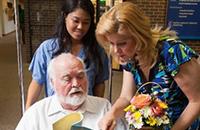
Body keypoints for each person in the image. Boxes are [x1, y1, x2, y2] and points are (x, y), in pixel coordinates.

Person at [95, 2, 200, 130]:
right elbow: (126, 97)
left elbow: (196, 102)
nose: (116, 51)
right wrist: (111, 114)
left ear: (139, 36)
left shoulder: (172, 52)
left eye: (122, 43)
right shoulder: (130, 57)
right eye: (112, 43)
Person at [25, 0, 109, 110]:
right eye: (76, 21)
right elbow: (37, 81)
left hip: (85, 110)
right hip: (56, 111)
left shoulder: (97, 50)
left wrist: (96, 110)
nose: (80, 27)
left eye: (86, 22)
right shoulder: (47, 49)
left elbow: (99, 83)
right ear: (65, 17)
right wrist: (28, 111)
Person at [16, 53, 125, 130]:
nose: (76, 84)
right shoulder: (37, 114)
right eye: (67, 78)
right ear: (52, 83)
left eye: (80, 76)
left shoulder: (104, 107)